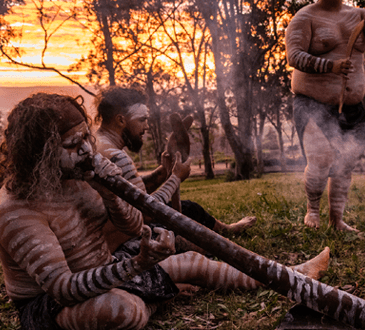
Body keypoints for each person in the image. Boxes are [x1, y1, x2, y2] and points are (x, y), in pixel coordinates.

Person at [0, 93, 329, 330]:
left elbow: (136, 223)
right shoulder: (17, 209)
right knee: (122, 312)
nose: (84, 150)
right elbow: (63, 289)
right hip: (52, 304)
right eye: (71, 143)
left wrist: (109, 190)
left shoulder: (83, 172)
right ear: (42, 154)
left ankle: (291, 276)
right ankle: (155, 295)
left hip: (107, 268)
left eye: (85, 138)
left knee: (194, 261)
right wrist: (136, 266)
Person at [285, 0, 365, 231]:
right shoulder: (305, 17)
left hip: (353, 105)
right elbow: (294, 56)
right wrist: (330, 66)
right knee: (320, 160)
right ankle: (312, 211)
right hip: (313, 103)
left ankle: (337, 219)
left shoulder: (359, 15)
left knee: (345, 164)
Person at [93, 86, 255, 251]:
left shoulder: (96, 143)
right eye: (142, 120)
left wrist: (163, 172)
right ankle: (218, 245)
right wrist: (175, 177)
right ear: (121, 120)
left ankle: (227, 229)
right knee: (198, 246)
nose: (147, 126)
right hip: (121, 242)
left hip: (112, 235)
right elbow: (146, 212)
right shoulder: (116, 156)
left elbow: (131, 192)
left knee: (188, 208)